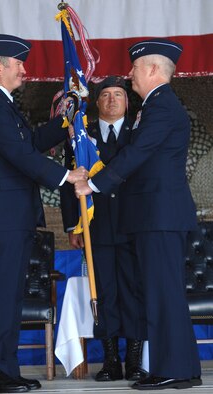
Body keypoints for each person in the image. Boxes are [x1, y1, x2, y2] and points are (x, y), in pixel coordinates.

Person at [74, 38, 202, 390]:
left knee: (163, 294)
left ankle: (173, 369)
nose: (129, 75)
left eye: (134, 68)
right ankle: (182, 367)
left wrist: (93, 185)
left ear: (152, 70)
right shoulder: (155, 105)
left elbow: (139, 152)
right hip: (155, 215)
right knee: (164, 294)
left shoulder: (161, 106)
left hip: (160, 215)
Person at [0, 33, 87, 393]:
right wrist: (67, 176)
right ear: (0, 66)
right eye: (19, 64)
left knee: (10, 298)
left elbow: (30, 144)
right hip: (3, 217)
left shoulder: (1, 103)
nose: (24, 70)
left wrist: (65, 118)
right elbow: (19, 156)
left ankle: (5, 369)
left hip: (12, 216)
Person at [60, 76, 147, 382]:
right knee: (104, 291)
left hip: (134, 225)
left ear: (127, 100)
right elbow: (69, 181)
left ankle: (134, 360)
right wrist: (74, 225)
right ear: (96, 103)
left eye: (118, 95)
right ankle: (110, 361)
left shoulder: (141, 133)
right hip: (96, 227)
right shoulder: (83, 135)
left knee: (134, 291)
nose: (112, 100)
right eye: (106, 95)